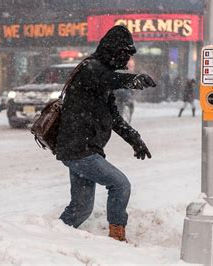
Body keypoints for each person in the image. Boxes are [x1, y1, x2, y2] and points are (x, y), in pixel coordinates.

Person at [55, 25, 156, 242]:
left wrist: (135, 139)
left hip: (82, 149)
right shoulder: (91, 69)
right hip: (79, 149)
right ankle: (117, 237)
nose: (126, 61)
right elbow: (110, 78)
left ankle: (52, 236)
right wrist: (132, 78)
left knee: (81, 208)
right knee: (120, 185)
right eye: (125, 55)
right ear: (113, 51)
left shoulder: (101, 78)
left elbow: (114, 118)